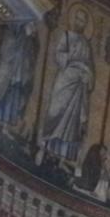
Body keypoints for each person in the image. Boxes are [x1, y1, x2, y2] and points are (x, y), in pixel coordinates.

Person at [37, 9, 94, 166]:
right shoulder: (67, 36)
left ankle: (63, 158)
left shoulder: (86, 44)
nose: (80, 23)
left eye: (83, 21)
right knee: (55, 111)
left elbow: (90, 67)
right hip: (65, 81)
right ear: (74, 20)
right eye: (78, 19)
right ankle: (46, 148)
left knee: (72, 122)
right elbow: (59, 55)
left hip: (78, 87)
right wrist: (71, 58)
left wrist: (87, 75)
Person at [0, 21, 38, 127]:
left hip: (20, 73)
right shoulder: (14, 32)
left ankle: (7, 122)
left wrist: (30, 40)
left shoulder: (30, 41)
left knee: (14, 95)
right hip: (9, 71)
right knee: (2, 91)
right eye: (31, 24)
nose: (33, 27)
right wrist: (22, 38)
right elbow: (7, 48)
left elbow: (31, 58)